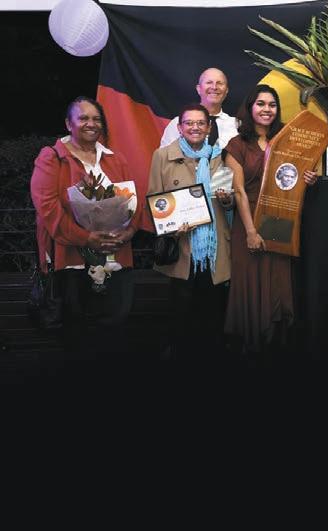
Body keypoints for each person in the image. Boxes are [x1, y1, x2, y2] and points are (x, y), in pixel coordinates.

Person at [30, 96, 141, 359]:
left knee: (114, 326)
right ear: (68, 124)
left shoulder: (116, 159)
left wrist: (130, 231)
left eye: (96, 119)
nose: (91, 123)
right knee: (76, 335)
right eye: (83, 118)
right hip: (72, 260)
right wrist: (86, 237)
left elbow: (132, 202)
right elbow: (48, 209)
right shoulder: (52, 158)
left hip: (115, 256)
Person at [224, 84, 318, 359]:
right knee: (251, 281)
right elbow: (238, 191)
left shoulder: (287, 139)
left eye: (272, 105)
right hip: (248, 219)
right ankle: (250, 346)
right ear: (250, 108)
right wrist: (251, 232)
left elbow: (293, 178)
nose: (267, 109)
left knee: (278, 280)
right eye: (261, 104)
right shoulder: (237, 145)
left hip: (279, 217)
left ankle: (277, 346)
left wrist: (308, 178)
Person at [147, 103, 234, 362]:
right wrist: (172, 224)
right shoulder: (162, 156)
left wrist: (227, 200)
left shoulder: (222, 156)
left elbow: (232, 200)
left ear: (209, 127)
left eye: (200, 123)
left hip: (215, 248)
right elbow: (154, 200)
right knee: (181, 313)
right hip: (183, 246)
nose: (195, 127)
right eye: (189, 123)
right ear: (179, 127)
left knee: (214, 314)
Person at [160, 67, 238, 149]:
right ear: (199, 89)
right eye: (209, 82)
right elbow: (165, 156)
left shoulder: (236, 125)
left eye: (220, 83)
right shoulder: (179, 123)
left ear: (226, 90)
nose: (214, 87)